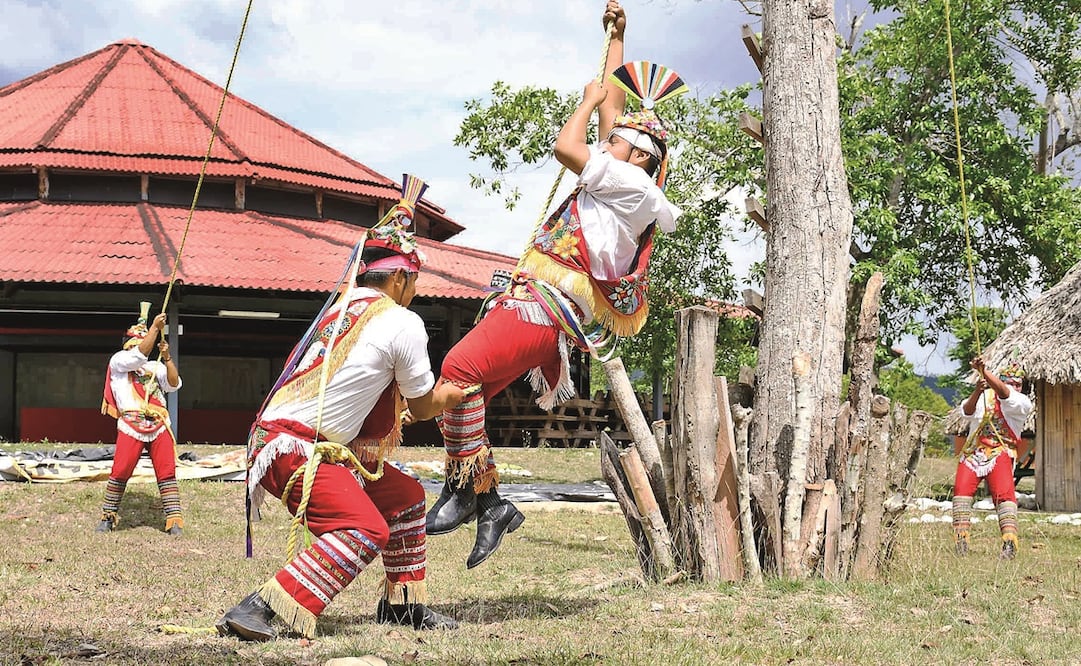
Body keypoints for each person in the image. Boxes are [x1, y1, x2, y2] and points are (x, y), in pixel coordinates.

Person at [426, 0, 683, 569]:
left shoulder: (632, 186)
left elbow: (570, 145)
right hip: (537, 304)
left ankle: (471, 492)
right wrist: (619, 37)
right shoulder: (626, 178)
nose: (606, 138)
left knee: (457, 373)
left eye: (617, 140)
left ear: (639, 156)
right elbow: (616, 106)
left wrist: (584, 102)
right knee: (465, 396)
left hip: (545, 309)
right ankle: (488, 500)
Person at [216, 209, 466, 642]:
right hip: (298, 448)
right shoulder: (401, 320)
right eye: (415, 283)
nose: (415, 293)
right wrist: (457, 391)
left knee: (405, 496)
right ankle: (260, 608)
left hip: (284, 442)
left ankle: (403, 607)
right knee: (364, 527)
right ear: (401, 279)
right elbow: (425, 407)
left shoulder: (339, 311)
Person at [97, 307, 184, 535]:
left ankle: (174, 520)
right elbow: (138, 356)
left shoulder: (154, 367)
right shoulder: (120, 361)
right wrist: (155, 328)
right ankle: (108, 515)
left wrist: (167, 358)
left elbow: (173, 385)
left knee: (166, 471)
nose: (141, 345)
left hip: (158, 423)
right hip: (131, 424)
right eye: (139, 340)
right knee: (121, 469)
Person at [952, 356, 1034, 560]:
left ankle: (1009, 542)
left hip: (1000, 452)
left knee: (1004, 495)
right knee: (961, 492)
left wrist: (984, 371)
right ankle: (961, 540)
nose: (1013, 386)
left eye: (1018, 384)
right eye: (1010, 382)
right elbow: (966, 412)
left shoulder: (1022, 402)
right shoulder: (986, 396)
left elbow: (1005, 394)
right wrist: (978, 389)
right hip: (975, 452)